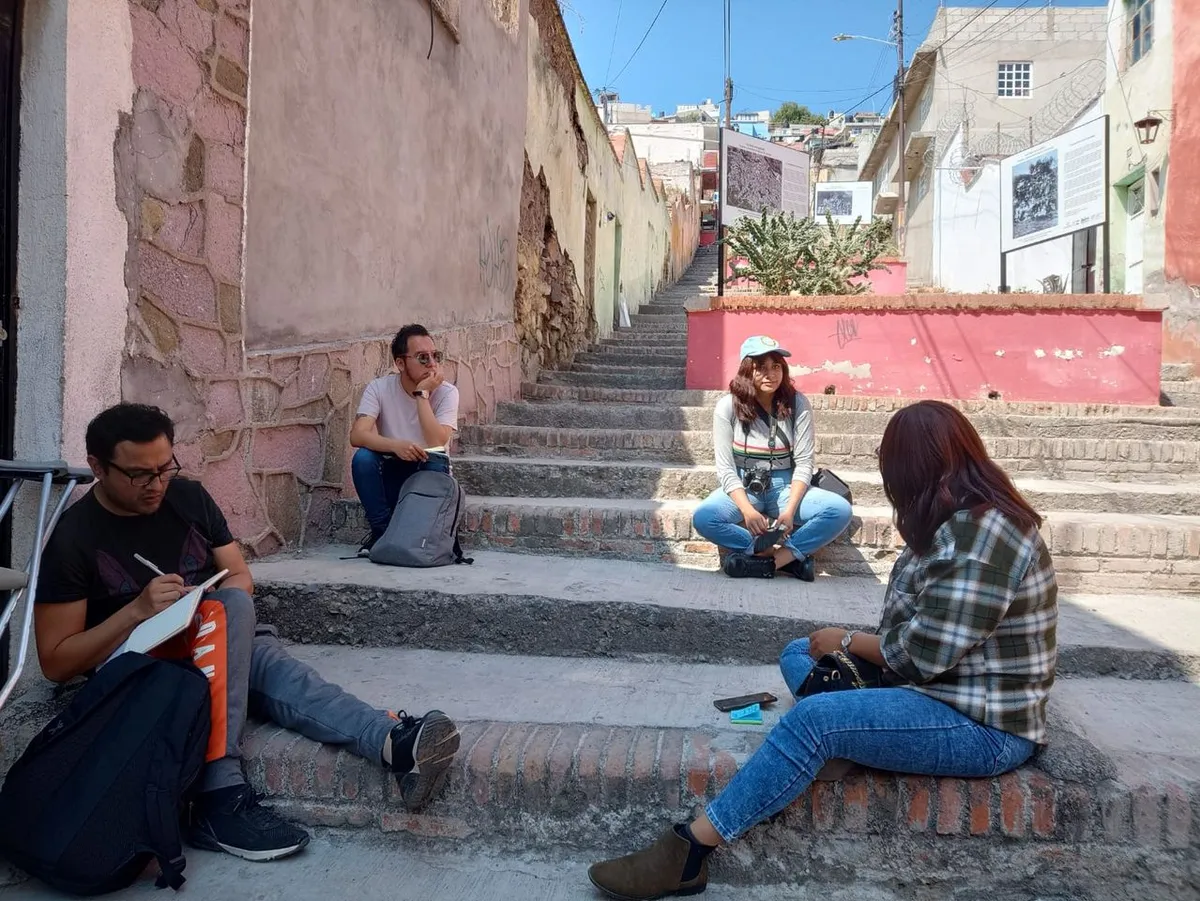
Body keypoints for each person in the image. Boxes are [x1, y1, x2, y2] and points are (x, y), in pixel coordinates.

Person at [588, 400, 1059, 899]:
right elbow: (921, 640)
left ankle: (690, 852)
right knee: (801, 651)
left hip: (979, 723)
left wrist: (849, 642)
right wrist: (839, 646)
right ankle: (846, 741)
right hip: (930, 686)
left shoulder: (981, 534)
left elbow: (922, 655)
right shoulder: (958, 518)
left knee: (814, 721)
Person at [34, 403, 461, 862]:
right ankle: (219, 795)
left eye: (165, 468)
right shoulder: (73, 537)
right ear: (98, 467)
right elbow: (57, 661)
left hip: (207, 635)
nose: (156, 484)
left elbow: (239, 575)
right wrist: (135, 612)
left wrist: (200, 606)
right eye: (140, 475)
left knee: (253, 635)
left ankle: (390, 742)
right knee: (251, 639)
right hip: (142, 671)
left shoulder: (189, 499)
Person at [692, 335, 852, 581]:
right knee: (704, 518)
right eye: (761, 368)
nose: (771, 374)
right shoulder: (727, 407)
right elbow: (725, 469)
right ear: (747, 371)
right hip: (745, 487)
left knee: (839, 510)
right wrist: (747, 511)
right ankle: (782, 559)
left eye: (776, 366)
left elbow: (804, 463)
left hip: (786, 486)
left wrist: (788, 512)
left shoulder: (797, 404)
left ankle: (773, 563)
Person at [351, 324, 459, 551]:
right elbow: (358, 435)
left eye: (435, 356)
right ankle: (382, 533)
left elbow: (437, 442)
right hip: (393, 469)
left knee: (434, 457)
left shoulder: (447, 392)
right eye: (422, 357)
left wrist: (422, 394)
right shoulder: (379, 388)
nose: (432, 363)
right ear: (400, 363)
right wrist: (395, 446)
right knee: (363, 459)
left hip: (429, 472)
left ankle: (408, 536)